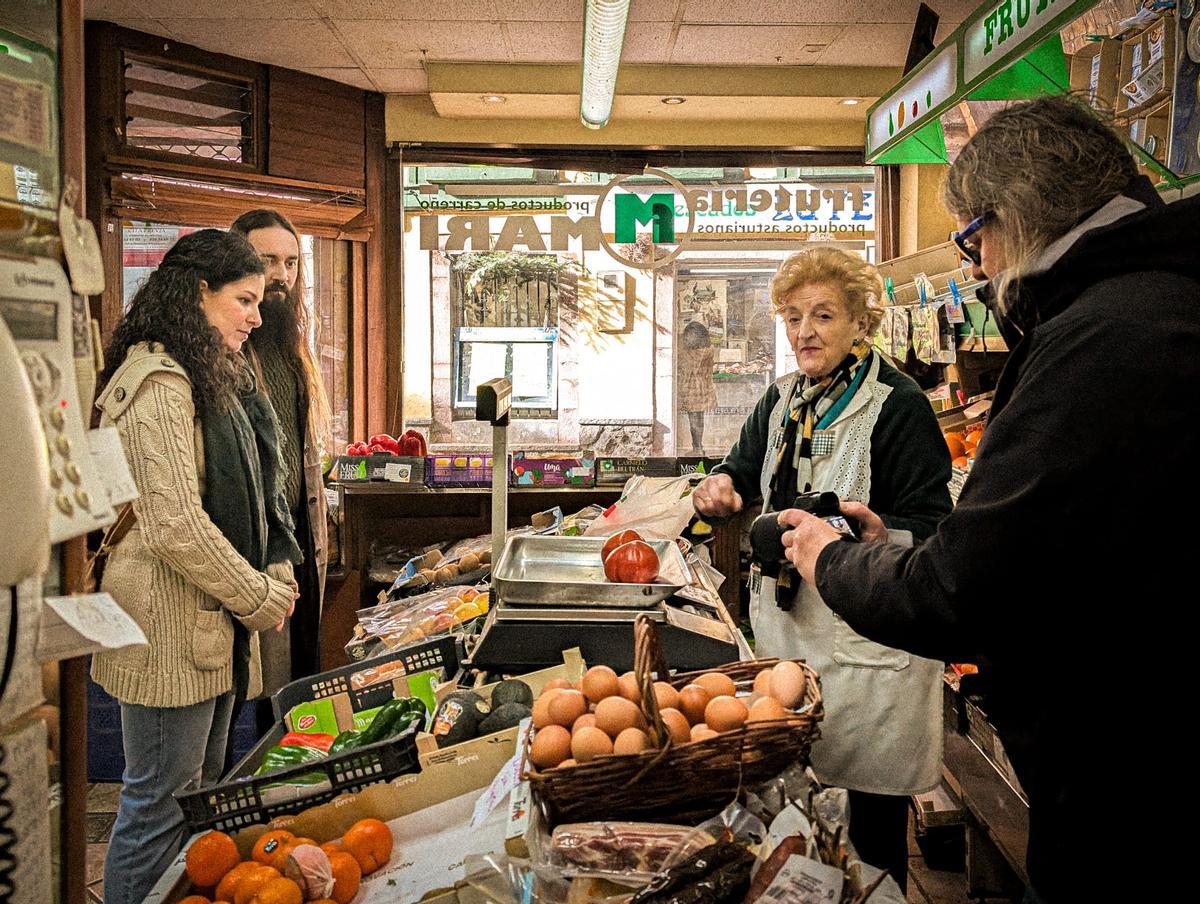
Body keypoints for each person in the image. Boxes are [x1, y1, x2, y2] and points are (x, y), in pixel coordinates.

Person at [777, 95, 1200, 903]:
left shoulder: (1110, 337)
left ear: (1013, 220)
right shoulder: (1154, 299)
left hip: (1136, 783)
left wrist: (833, 557)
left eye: (973, 240)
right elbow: (1046, 544)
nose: (975, 268)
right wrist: (889, 547)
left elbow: (965, 589)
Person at [693, 247, 952, 890]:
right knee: (799, 830)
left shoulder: (897, 406)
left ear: (861, 323)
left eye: (824, 315)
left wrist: (875, 533)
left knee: (868, 841)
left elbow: (935, 527)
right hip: (792, 640)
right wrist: (720, 485)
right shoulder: (782, 401)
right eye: (792, 316)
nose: (804, 331)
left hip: (869, 648)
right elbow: (741, 468)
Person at [94, 229, 301, 904]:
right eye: (244, 299)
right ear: (199, 292)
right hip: (165, 626)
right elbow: (173, 524)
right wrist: (258, 596)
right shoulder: (157, 380)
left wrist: (275, 565)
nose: (256, 315)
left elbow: (253, 486)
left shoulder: (208, 372)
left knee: (196, 799)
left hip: (205, 627)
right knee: (157, 806)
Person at [230, 209, 331, 716]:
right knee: (250, 690)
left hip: (298, 540)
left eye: (291, 262)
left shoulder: (289, 343)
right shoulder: (226, 348)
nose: (282, 275)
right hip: (252, 547)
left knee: (294, 685)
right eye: (267, 259)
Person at [677, 319, 717, 454]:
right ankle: (698, 446)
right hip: (704, 387)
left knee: (693, 419)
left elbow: (685, 368)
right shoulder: (709, 350)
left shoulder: (688, 353)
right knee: (699, 418)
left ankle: (697, 448)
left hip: (691, 388)